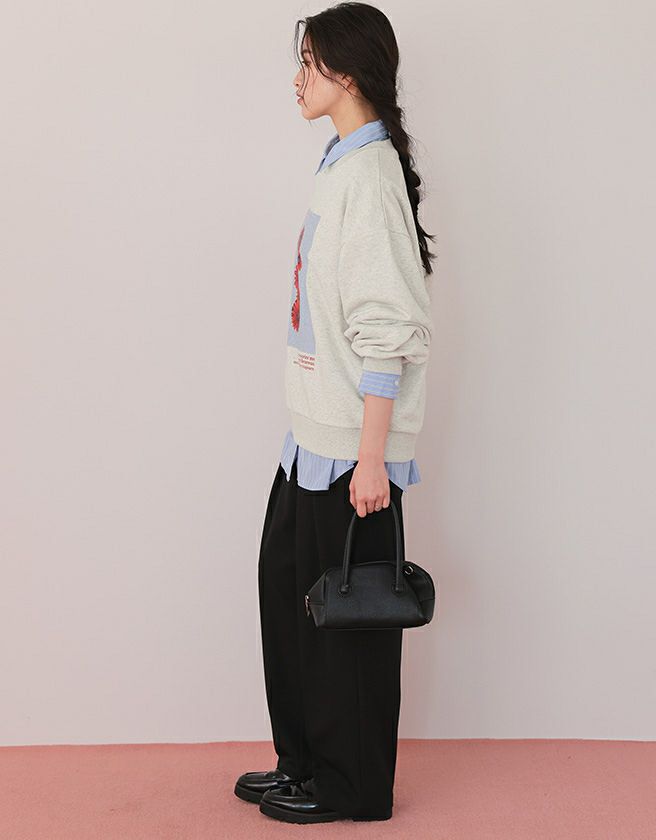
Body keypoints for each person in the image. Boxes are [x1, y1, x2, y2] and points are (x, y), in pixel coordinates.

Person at [233, 1, 437, 824]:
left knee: (347, 628)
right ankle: (305, 764)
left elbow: (388, 332)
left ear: (347, 74)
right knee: (290, 600)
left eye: (309, 63)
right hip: (311, 441)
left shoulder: (369, 176)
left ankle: (349, 788)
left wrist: (372, 460)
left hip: (352, 452)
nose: (297, 79)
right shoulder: (340, 164)